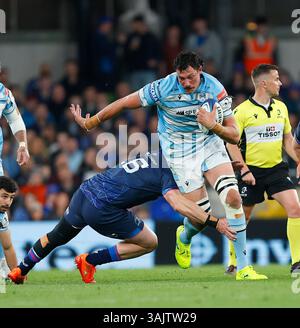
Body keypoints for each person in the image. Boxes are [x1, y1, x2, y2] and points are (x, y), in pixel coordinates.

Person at [70, 51, 267, 280]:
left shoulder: (215, 89)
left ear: (200, 70)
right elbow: (125, 102)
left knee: (233, 197)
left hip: (210, 144)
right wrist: (92, 122)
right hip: (179, 153)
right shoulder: (163, 87)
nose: (185, 83)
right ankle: (184, 237)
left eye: (190, 78)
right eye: (181, 78)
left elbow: (234, 136)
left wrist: (214, 126)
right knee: (199, 218)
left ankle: (243, 268)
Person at [8, 150, 236, 284]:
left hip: (86, 190)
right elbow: (179, 205)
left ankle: (20, 270)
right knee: (150, 242)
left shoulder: (157, 154)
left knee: (57, 236)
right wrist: (215, 222)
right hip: (103, 208)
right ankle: (90, 261)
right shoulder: (171, 172)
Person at [226, 64, 300, 274]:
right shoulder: (240, 112)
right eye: (276, 79)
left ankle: (297, 262)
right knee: (243, 217)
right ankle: (234, 261)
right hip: (252, 172)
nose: (280, 82)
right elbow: (231, 144)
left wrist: (298, 160)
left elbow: (287, 139)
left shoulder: (281, 107)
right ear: (263, 83)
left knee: (296, 209)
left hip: (276, 170)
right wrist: (245, 170)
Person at [0, 82, 30, 276]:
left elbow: (15, 120)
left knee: (2, 222)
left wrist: (22, 143)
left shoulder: (2, 92)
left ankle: (12, 272)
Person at [0, 176, 18, 278]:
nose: (8, 203)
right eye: (4, 196)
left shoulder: (2, 217)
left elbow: (7, 247)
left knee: (1, 284)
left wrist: (17, 273)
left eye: (11, 198)